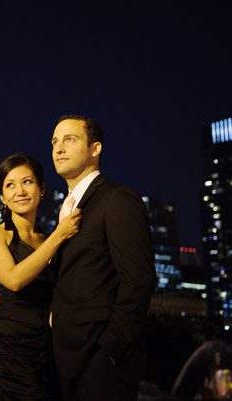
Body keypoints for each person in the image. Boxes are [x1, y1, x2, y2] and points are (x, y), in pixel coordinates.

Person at [49, 115, 156, 401]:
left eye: (69, 140)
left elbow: (139, 279)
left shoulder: (117, 199)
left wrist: (110, 350)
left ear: (95, 149)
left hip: (102, 360)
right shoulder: (66, 209)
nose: (58, 148)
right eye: (55, 142)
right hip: (65, 361)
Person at [0, 153, 81, 401]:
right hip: (10, 345)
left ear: (42, 188)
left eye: (27, 181)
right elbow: (14, 280)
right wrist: (59, 235)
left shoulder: (50, 238)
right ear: (3, 197)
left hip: (49, 346)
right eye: (10, 185)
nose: (20, 191)